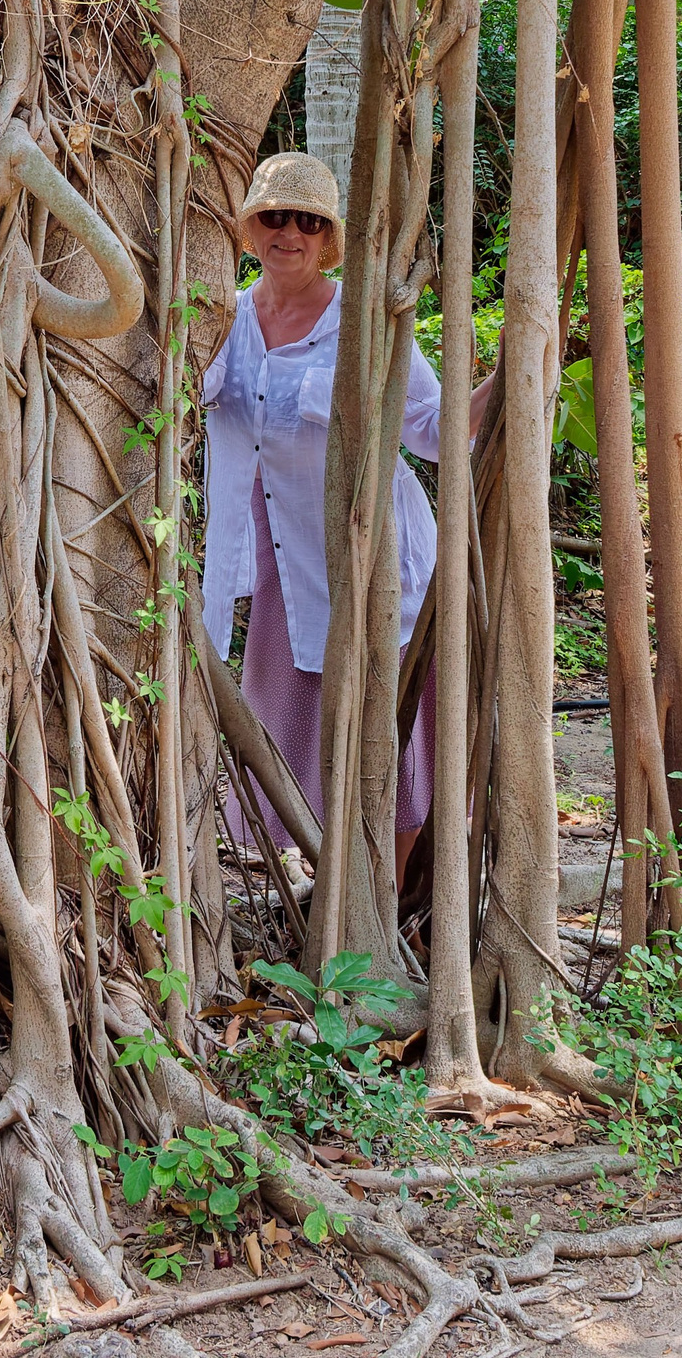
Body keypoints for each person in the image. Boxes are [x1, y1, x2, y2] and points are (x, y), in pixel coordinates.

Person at [199, 151, 491, 876]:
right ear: (250, 229)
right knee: (287, 729)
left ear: (328, 237)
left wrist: (518, 355)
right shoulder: (223, 317)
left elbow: (430, 427)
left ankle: (378, 911)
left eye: (307, 221)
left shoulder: (360, 323)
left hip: (368, 560)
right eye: (273, 217)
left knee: (383, 742)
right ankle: (326, 896)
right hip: (276, 568)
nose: (288, 233)